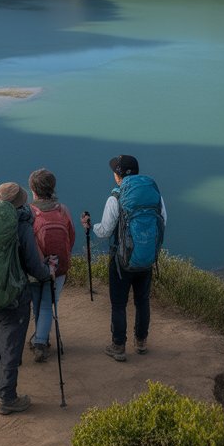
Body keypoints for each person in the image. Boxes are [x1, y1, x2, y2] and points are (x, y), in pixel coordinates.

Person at [0, 182, 54, 415]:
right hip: (11, 296)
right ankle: (7, 398)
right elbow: (33, 263)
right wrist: (47, 273)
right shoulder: (20, 224)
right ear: (18, 205)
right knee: (11, 348)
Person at [81, 154, 167, 362]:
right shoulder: (154, 194)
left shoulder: (116, 197)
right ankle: (141, 341)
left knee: (119, 304)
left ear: (118, 175)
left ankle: (118, 346)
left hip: (121, 260)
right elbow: (163, 221)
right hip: (146, 258)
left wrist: (90, 226)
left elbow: (105, 231)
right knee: (142, 300)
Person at [26, 168, 75, 363]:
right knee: (48, 304)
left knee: (37, 303)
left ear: (33, 190)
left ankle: (40, 339)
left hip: (34, 267)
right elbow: (71, 237)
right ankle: (41, 340)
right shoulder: (62, 210)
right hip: (58, 267)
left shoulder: (29, 212)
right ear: (52, 187)